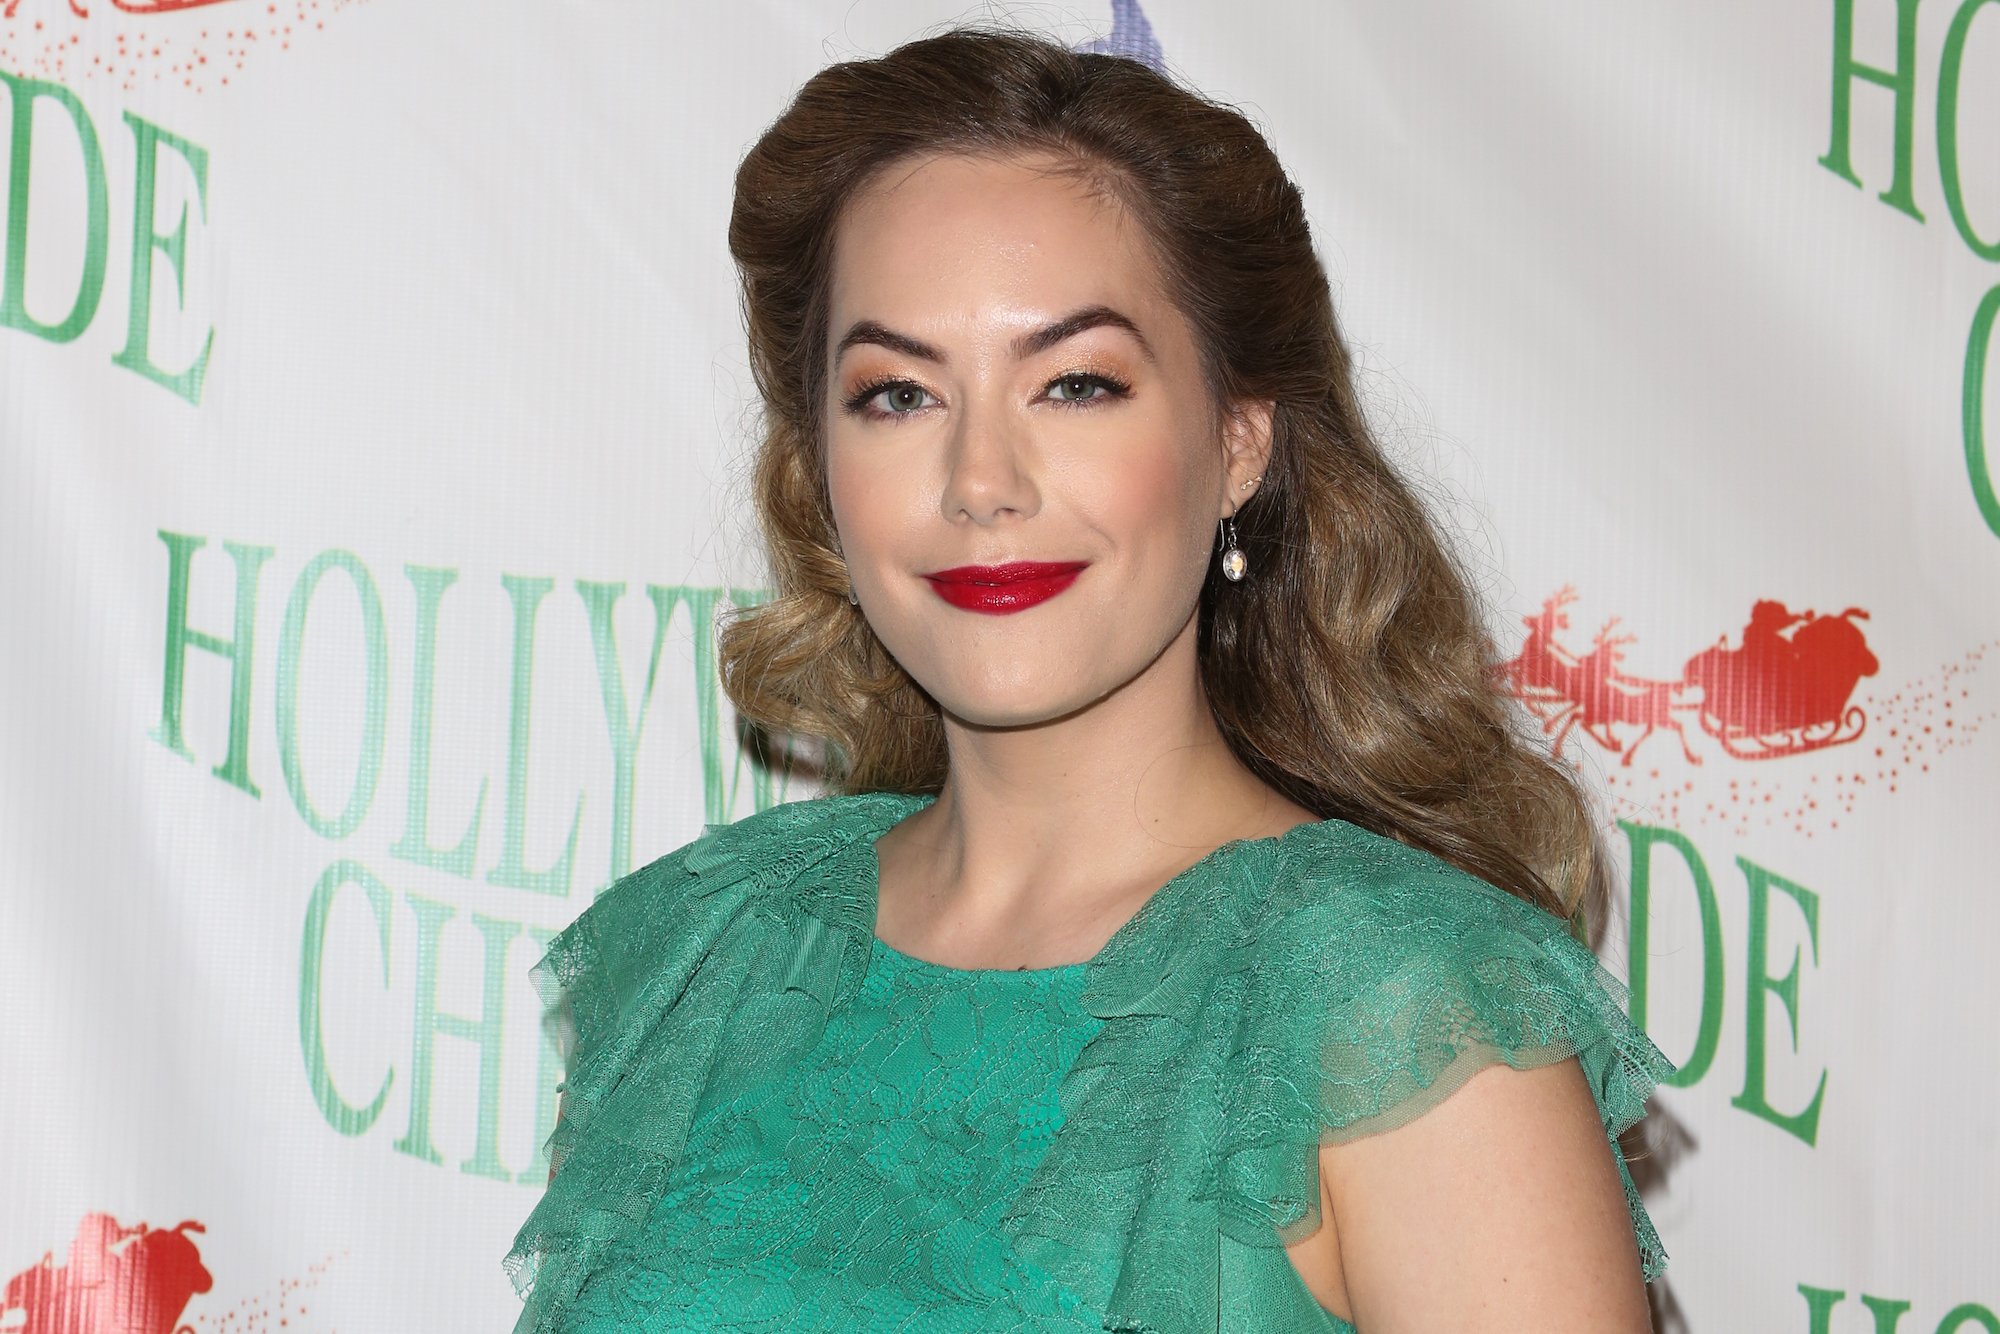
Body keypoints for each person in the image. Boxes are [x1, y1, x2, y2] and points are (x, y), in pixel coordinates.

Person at [505, 24, 1674, 1333]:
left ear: (1238, 444)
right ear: (819, 470)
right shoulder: (699, 960)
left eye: (1073, 382)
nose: (982, 481)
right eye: (898, 396)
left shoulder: (1403, 1004)